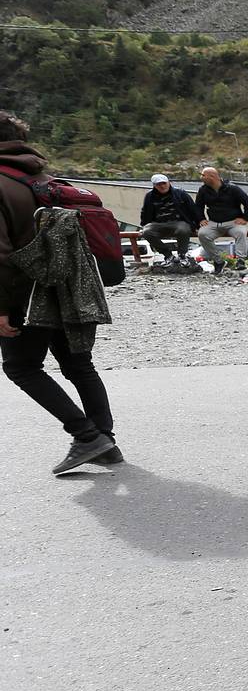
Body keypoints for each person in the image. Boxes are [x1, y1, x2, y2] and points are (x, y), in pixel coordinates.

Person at [0, 111, 121, 474]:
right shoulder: (42, 178)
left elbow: (2, 255)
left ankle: (87, 436)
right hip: (70, 286)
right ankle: (104, 439)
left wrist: (1, 306)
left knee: (21, 367)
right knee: (78, 363)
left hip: (25, 290)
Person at [195, 165, 248, 272]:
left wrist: (245, 218)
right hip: (214, 223)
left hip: (233, 222)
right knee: (202, 234)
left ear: (212, 177)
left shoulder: (233, 189)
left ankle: (240, 261)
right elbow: (198, 206)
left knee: (241, 233)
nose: (201, 177)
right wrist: (201, 219)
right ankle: (218, 261)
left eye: (203, 175)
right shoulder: (203, 190)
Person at [139, 173, 199, 266]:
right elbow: (145, 212)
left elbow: (193, 209)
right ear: (154, 185)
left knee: (183, 229)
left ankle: (182, 255)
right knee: (146, 232)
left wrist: (197, 225)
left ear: (168, 183)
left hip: (179, 222)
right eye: (159, 184)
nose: (162, 186)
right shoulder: (149, 196)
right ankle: (168, 255)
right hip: (158, 224)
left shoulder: (181, 193)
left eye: (164, 183)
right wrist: (143, 225)